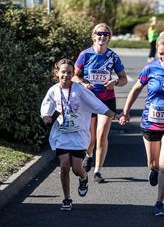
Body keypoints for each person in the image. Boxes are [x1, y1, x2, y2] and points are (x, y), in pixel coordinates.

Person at [119, 28, 164, 216]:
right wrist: (126, 111)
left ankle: (159, 202)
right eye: (160, 54)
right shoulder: (150, 68)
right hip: (150, 122)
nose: (163, 58)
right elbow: (136, 89)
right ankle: (153, 170)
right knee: (153, 164)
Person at [41, 59, 117, 211]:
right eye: (63, 72)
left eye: (69, 72)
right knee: (64, 166)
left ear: (72, 73)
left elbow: (96, 104)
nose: (66, 75)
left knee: (76, 168)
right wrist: (46, 117)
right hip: (61, 134)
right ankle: (67, 199)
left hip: (79, 135)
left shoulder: (79, 89)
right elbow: (46, 108)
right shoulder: (53, 90)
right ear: (57, 73)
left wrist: (115, 115)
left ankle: (83, 177)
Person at [72, 23, 127, 183]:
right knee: (91, 137)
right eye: (99, 33)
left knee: (102, 135)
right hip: (88, 101)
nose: (102, 36)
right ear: (94, 36)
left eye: (105, 34)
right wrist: (83, 84)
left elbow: (123, 78)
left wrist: (115, 83)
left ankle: (98, 171)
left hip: (106, 100)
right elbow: (74, 76)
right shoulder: (85, 55)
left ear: (109, 37)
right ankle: (89, 154)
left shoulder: (113, 57)